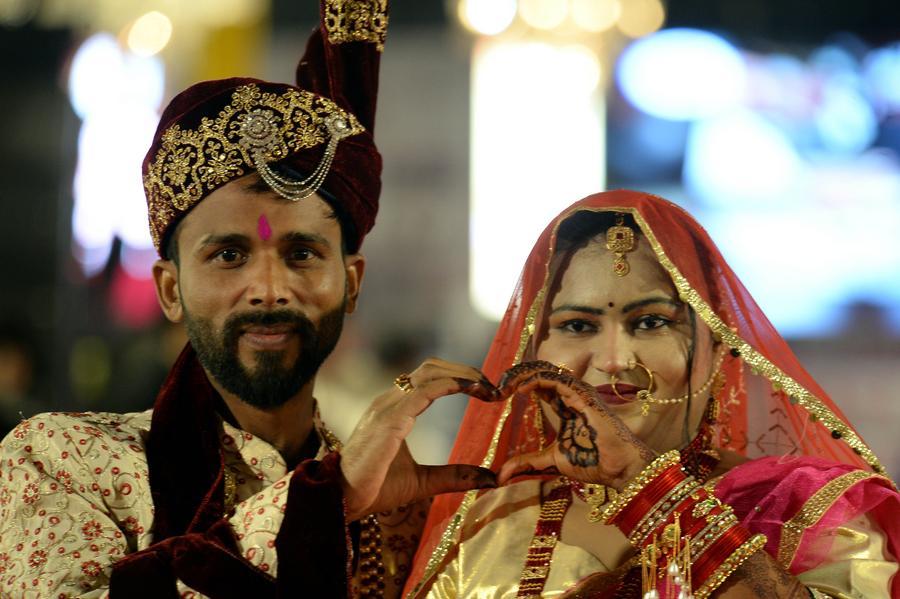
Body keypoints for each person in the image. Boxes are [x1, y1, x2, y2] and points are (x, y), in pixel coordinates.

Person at [0, 1, 496, 597]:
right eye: (229, 255)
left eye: (302, 253)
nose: (268, 289)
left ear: (353, 282)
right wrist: (324, 501)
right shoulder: (65, 461)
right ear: (170, 289)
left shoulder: (402, 503)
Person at [404, 190, 899, 598]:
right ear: (532, 350)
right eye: (577, 325)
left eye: (650, 322)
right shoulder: (489, 528)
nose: (614, 359)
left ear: (716, 348)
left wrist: (644, 485)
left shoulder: (813, 513)